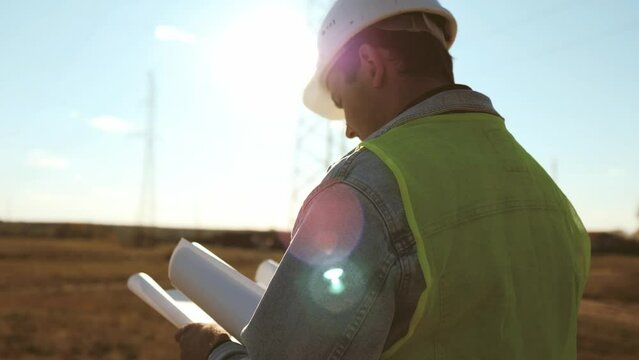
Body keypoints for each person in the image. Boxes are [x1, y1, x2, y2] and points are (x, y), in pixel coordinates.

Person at [175, 0, 591, 359]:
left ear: (371, 66)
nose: (349, 130)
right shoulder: (546, 191)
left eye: (340, 100)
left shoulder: (369, 186)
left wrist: (214, 352)